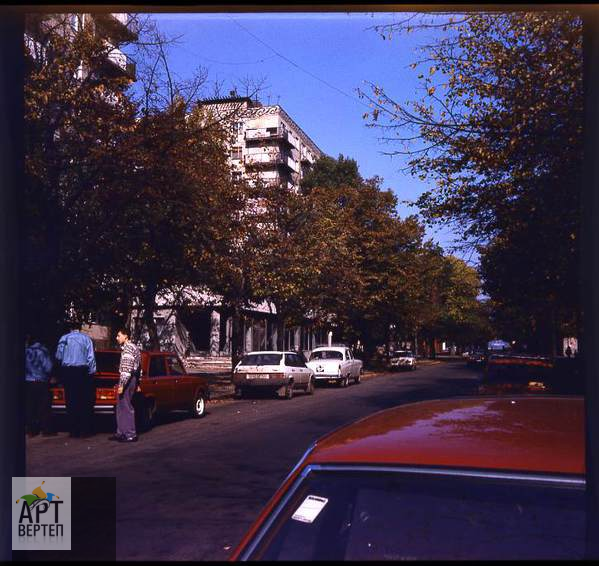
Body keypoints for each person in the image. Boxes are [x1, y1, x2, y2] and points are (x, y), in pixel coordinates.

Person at [55, 322, 96, 438]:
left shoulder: (64, 338)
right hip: (82, 372)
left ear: (70, 328)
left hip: (68, 372)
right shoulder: (86, 339)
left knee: (71, 400)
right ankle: (84, 430)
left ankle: (73, 430)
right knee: (83, 401)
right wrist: (91, 372)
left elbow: (58, 356)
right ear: (79, 329)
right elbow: (91, 358)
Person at [110, 327, 141, 443]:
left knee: (126, 406)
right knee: (121, 406)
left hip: (127, 379)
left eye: (119, 336)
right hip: (131, 379)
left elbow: (127, 369)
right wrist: (137, 382)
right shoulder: (134, 347)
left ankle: (130, 434)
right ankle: (121, 432)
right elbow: (139, 367)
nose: (117, 338)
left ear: (126, 336)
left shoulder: (128, 348)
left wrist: (122, 384)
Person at [25, 335, 55, 437]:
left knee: (30, 406)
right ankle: (46, 429)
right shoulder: (43, 351)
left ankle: (31, 430)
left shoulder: (26, 351)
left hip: (28, 381)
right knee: (43, 406)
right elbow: (48, 367)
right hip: (41, 381)